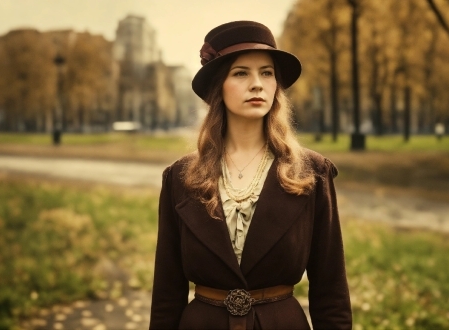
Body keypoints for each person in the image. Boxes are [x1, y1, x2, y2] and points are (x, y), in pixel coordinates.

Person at [150, 20, 352, 330]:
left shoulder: (312, 172)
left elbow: (331, 289)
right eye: (241, 72)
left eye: (267, 73)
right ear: (219, 85)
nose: (257, 84)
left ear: (276, 87)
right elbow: (167, 292)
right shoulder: (179, 176)